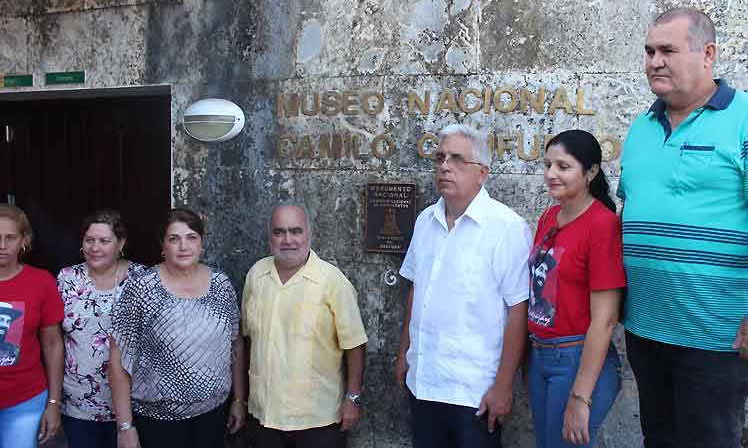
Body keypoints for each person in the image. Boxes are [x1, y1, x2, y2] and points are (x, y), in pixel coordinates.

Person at [618, 7, 748, 448]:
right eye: (649, 51)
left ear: (706, 53)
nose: (655, 61)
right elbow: (629, 212)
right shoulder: (640, 129)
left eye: (668, 50)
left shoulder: (743, 119)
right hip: (645, 330)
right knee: (660, 440)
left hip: (716, 337)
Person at [395, 124, 532, 448]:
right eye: (440, 157)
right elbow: (417, 290)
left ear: (481, 173)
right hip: (424, 381)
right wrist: (404, 354)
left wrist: (503, 385)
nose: (444, 166)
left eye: (457, 159)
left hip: (475, 391)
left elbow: (518, 310)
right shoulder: (425, 221)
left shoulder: (507, 227)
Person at [108, 208, 245, 448]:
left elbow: (236, 345)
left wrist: (238, 399)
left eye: (191, 237)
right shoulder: (142, 289)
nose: (183, 246)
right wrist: (125, 427)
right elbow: (117, 361)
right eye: (174, 238)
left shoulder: (222, 285)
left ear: (202, 243)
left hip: (213, 415)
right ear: (163, 245)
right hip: (158, 420)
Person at [528, 130, 626, 448]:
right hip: (540, 356)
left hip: (574, 360)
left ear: (591, 171)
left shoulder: (602, 225)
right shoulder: (549, 217)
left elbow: (605, 319)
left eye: (563, 166)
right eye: (547, 165)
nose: (551, 174)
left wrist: (581, 396)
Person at [242, 204, 368, 448]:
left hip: (317, 419)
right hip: (264, 415)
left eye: (296, 231)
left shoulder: (332, 281)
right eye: (279, 232)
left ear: (309, 234)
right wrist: (241, 399)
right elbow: (248, 338)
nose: (288, 240)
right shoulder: (256, 276)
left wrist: (353, 398)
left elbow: (355, 345)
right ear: (270, 236)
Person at [57, 210, 146, 448]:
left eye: (104, 241)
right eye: (89, 240)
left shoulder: (142, 279)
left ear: (121, 243)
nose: (95, 247)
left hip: (132, 401)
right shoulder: (67, 278)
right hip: (79, 402)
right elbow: (54, 337)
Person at [0, 204, 64, 448]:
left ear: (23, 241)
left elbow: (52, 343)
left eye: (10, 237)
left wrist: (54, 403)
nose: (2, 245)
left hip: (24, 400)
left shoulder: (40, 282)